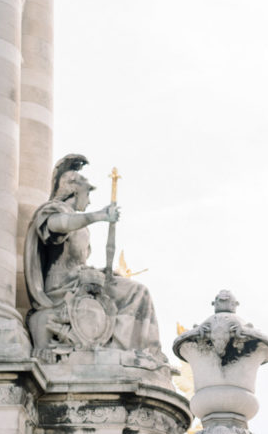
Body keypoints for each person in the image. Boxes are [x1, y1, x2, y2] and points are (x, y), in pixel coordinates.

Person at [24, 155, 167, 365]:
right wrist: (99, 216)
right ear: (73, 190)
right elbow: (57, 226)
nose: (89, 200)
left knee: (137, 291)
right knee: (138, 293)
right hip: (62, 288)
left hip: (81, 282)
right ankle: (138, 353)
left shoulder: (78, 223)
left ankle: (142, 353)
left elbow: (76, 262)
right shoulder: (53, 210)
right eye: (87, 193)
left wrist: (101, 271)